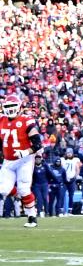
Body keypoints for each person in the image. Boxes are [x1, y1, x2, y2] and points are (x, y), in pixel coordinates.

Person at [0, 94, 42, 227]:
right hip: (8, 161)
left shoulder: (27, 120)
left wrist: (25, 152)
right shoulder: (1, 120)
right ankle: (20, 195)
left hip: (24, 160)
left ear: (19, 107)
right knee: (3, 190)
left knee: (24, 189)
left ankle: (32, 217)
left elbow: (37, 144)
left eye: (13, 106)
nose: (10, 109)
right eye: (7, 106)